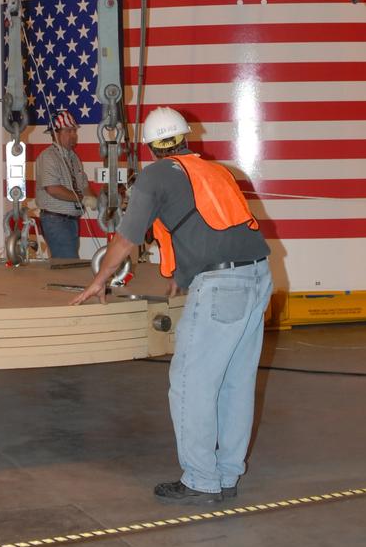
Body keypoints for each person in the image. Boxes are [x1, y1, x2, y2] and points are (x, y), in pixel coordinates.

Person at [71, 106, 271, 504]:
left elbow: (127, 239)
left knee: (190, 385)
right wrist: (181, 277)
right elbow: (213, 225)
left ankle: (200, 479)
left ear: (150, 146)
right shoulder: (216, 171)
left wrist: (99, 280)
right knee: (236, 383)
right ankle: (228, 474)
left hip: (221, 286)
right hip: (259, 275)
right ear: (184, 139)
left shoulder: (156, 175)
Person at [35, 110, 97, 259]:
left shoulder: (73, 157)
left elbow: (83, 185)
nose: (74, 135)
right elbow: (53, 189)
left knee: (65, 264)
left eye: (74, 131)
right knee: (67, 265)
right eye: (69, 131)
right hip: (56, 221)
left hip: (70, 221)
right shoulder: (48, 157)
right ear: (55, 133)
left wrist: (97, 200)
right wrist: (82, 199)